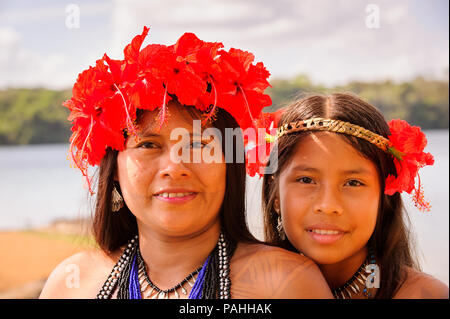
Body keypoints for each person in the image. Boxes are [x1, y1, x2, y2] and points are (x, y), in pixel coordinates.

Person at [39, 27, 332, 299]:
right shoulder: (69, 284)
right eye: (148, 145)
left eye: (197, 145)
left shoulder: (288, 283)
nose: (175, 166)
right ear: (114, 169)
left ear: (230, 163)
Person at [261, 93, 449, 299]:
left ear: (383, 197)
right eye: (306, 180)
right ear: (275, 194)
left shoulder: (423, 295)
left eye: (353, 183)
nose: (328, 205)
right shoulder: (241, 292)